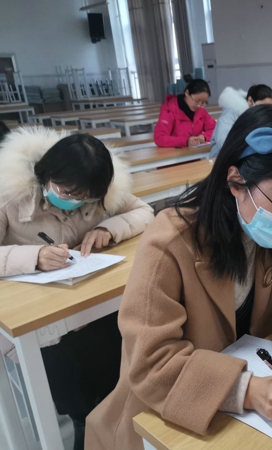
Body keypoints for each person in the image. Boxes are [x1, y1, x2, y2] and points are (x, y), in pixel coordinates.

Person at [85, 105, 272, 450]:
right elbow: (151, 363)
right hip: (165, 417)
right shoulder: (169, 243)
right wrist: (247, 390)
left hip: (249, 397)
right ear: (236, 181)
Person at [0, 127, 155, 450]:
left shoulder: (101, 190)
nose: (76, 203)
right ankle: (86, 426)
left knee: (126, 364)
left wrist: (108, 228)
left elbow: (143, 211)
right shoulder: (9, 196)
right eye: (67, 193)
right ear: (46, 174)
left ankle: (111, 427)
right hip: (41, 322)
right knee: (77, 394)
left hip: (93, 307)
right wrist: (34, 257)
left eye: (86, 198)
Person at [210, 84, 272, 157]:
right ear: (250, 101)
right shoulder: (231, 113)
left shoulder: (262, 116)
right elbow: (224, 144)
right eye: (262, 107)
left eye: (270, 107)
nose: (266, 111)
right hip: (221, 158)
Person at [154, 75, 217, 148]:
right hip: (175, 153)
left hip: (195, 152)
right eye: (197, 100)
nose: (199, 105)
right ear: (187, 93)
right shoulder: (170, 109)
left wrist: (204, 137)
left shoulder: (201, 110)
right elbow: (159, 138)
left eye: (203, 102)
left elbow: (216, 129)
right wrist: (186, 141)